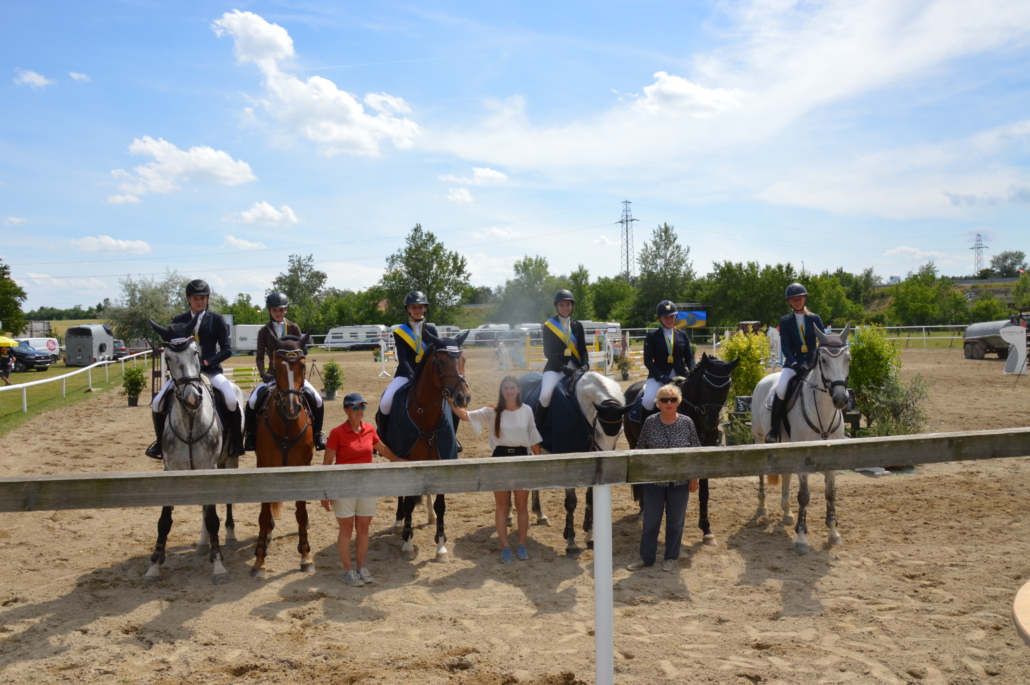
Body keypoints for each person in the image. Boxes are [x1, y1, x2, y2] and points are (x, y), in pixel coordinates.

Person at [147, 279, 243, 459]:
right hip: (184, 374)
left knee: (230, 399)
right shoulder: (179, 320)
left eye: (203, 298)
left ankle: (236, 441)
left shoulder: (216, 319)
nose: (200, 301)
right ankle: (160, 444)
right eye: (196, 298)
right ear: (188, 299)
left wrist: (208, 362)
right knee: (158, 402)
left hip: (210, 371)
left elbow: (227, 349)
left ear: (207, 299)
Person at [449, 376, 542, 563]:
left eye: (512, 387)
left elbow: (533, 437)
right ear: (502, 391)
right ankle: (505, 546)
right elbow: (466, 415)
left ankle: (522, 544)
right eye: (505, 388)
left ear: (518, 390)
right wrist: (450, 402)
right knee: (501, 506)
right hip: (499, 460)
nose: (509, 391)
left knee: (522, 506)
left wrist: (538, 461)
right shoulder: (493, 412)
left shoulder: (527, 410)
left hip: (522, 460)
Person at [320, 393, 401, 587]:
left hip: (367, 487)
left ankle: (361, 567)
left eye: (362, 407)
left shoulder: (370, 429)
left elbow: (381, 448)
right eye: (355, 408)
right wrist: (325, 492)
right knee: (346, 530)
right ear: (346, 410)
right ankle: (347, 570)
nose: (360, 411)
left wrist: (398, 460)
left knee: (363, 529)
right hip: (344, 488)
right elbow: (327, 463)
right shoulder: (337, 433)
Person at [627, 383, 700, 572]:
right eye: (664, 400)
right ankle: (646, 558)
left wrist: (694, 478)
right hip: (654, 483)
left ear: (678, 402)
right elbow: (641, 447)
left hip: (679, 483)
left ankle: (671, 558)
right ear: (658, 403)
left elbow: (696, 452)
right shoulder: (650, 422)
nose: (669, 402)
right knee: (650, 523)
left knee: (675, 524)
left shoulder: (687, 423)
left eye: (673, 399)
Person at [243, 292, 326, 451]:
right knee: (253, 401)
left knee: (317, 400)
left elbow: (303, 353)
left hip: (294, 375)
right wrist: (263, 374)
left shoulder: (294, 328)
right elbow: (260, 356)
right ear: (269, 310)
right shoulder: (264, 331)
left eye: (281, 310)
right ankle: (251, 435)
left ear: (286, 309)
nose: (278, 313)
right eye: (274, 310)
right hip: (273, 375)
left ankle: (318, 434)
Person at [766, 283, 825, 443]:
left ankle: (839, 423)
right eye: (793, 300)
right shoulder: (785, 320)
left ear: (804, 298)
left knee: (832, 383)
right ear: (789, 302)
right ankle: (774, 429)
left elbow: (822, 341)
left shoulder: (815, 319)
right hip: (793, 364)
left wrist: (815, 361)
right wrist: (793, 364)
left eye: (799, 298)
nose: (797, 302)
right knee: (781, 389)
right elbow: (785, 345)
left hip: (813, 362)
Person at [378, 291, 441, 429]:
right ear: (408, 309)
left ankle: (451, 437)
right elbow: (403, 358)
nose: (417, 310)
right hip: (406, 375)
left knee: (451, 402)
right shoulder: (400, 331)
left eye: (420, 307)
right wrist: (411, 375)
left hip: (429, 376)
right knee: (385, 403)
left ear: (425, 308)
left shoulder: (432, 330)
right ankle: (382, 437)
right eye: (413, 307)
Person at [537, 289, 590, 428]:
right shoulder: (549, 325)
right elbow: (547, 352)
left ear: (572, 306)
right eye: (562, 304)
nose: (565, 308)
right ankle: (538, 429)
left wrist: (585, 365)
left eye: (568, 304)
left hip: (576, 369)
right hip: (555, 368)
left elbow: (583, 350)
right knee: (545, 396)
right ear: (556, 306)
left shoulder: (577, 325)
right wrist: (562, 367)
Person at [641, 300, 696, 412]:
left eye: (672, 316)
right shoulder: (652, 336)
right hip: (658, 377)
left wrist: (693, 371)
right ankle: (645, 428)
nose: (669, 320)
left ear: (676, 317)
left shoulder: (683, 335)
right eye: (665, 317)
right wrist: (660, 376)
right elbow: (648, 360)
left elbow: (689, 357)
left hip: (680, 376)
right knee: (647, 403)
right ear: (660, 318)